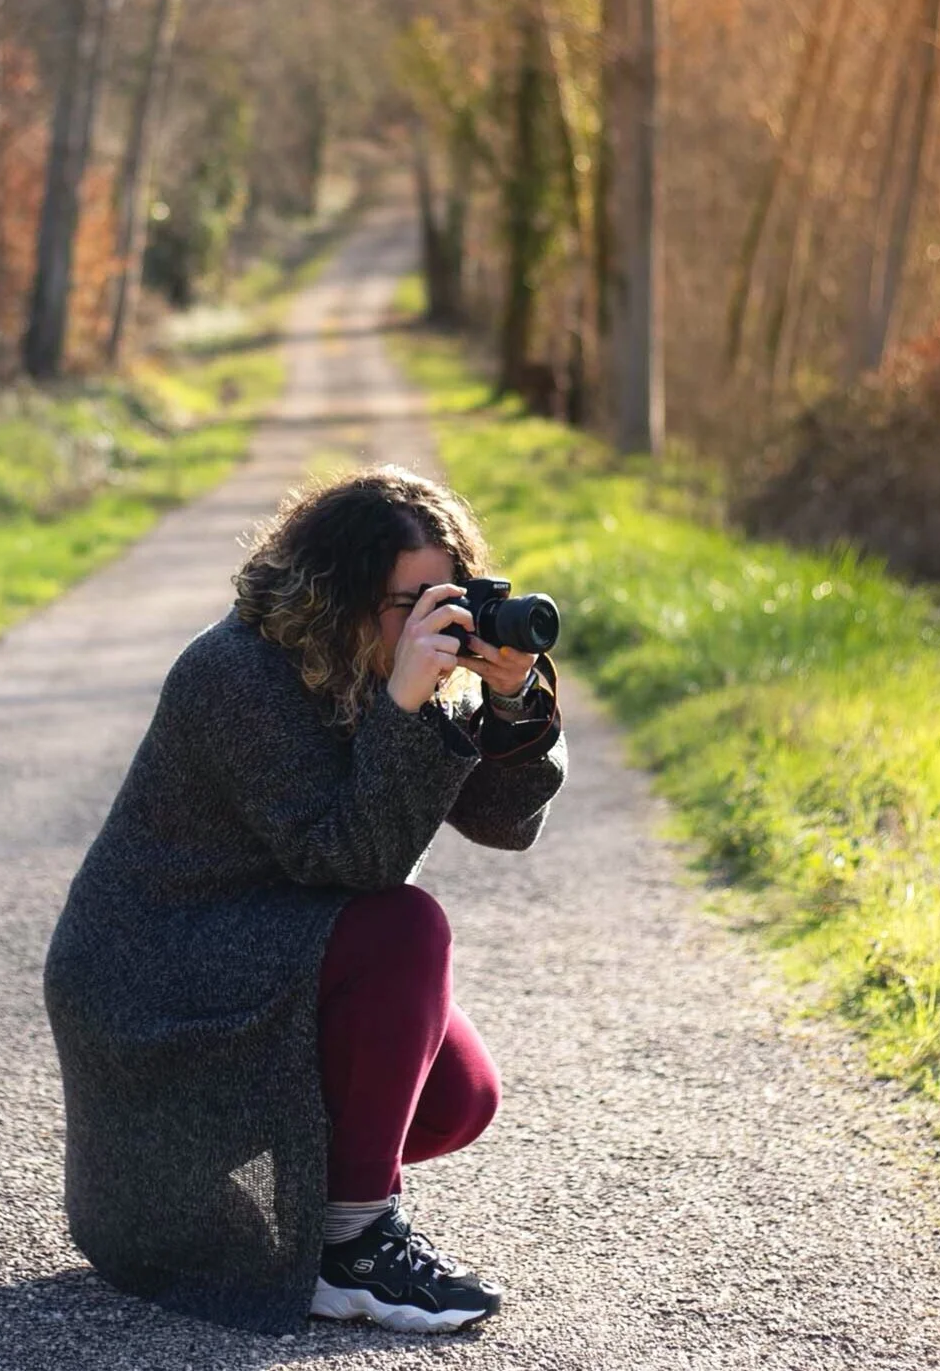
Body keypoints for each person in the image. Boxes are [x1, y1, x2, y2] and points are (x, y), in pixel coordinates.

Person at [43, 465, 566, 1336]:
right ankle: (352, 1245)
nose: (438, 619)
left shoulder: (388, 668)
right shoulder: (234, 673)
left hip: (265, 952)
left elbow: (509, 824)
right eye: (413, 600)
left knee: (457, 1098)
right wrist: (406, 703)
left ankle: (312, 1217)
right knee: (404, 926)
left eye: (453, 594)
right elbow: (349, 859)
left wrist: (509, 700)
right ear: (340, 595)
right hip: (157, 978)